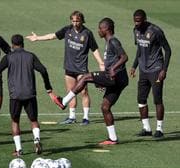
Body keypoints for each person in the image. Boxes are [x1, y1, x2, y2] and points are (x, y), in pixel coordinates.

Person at [53, 17, 129, 145]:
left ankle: (64, 101)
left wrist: (113, 69)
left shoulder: (113, 41)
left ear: (107, 29)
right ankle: (113, 139)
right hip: (119, 80)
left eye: (100, 28)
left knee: (85, 77)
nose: (98, 30)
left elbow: (124, 57)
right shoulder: (109, 41)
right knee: (105, 107)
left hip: (114, 78)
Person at [26, 10, 104, 125]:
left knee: (84, 92)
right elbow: (52, 36)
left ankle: (86, 117)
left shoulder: (87, 33)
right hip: (69, 67)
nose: (75, 23)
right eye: (73, 21)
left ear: (82, 20)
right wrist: (37, 38)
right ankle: (72, 117)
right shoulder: (67, 30)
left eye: (77, 21)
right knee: (70, 92)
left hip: (81, 69)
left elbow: (94, 49)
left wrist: (101, 63)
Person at [0, 34, 56, 156]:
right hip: (30, 94)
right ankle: (36, 140)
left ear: (12, 45)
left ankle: (19, 149)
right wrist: (48, 87)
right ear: (23, 44)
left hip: (15, 95)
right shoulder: (31, 56)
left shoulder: (8, 57)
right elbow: (43, 70)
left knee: (15, 121)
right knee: (34, 120)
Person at [130, 9, 171, 138]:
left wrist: (164, 69)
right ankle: (146, 128)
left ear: (144, 19)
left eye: (139, 21)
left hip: (156, 69)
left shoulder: (155, 31)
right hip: (143, 70)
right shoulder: (135, 31)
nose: (137, 24)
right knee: (141, 99)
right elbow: (140, 50)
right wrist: (134, 66)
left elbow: (168, 50)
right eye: (135, 21)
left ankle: (159, 129)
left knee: (157, 99)